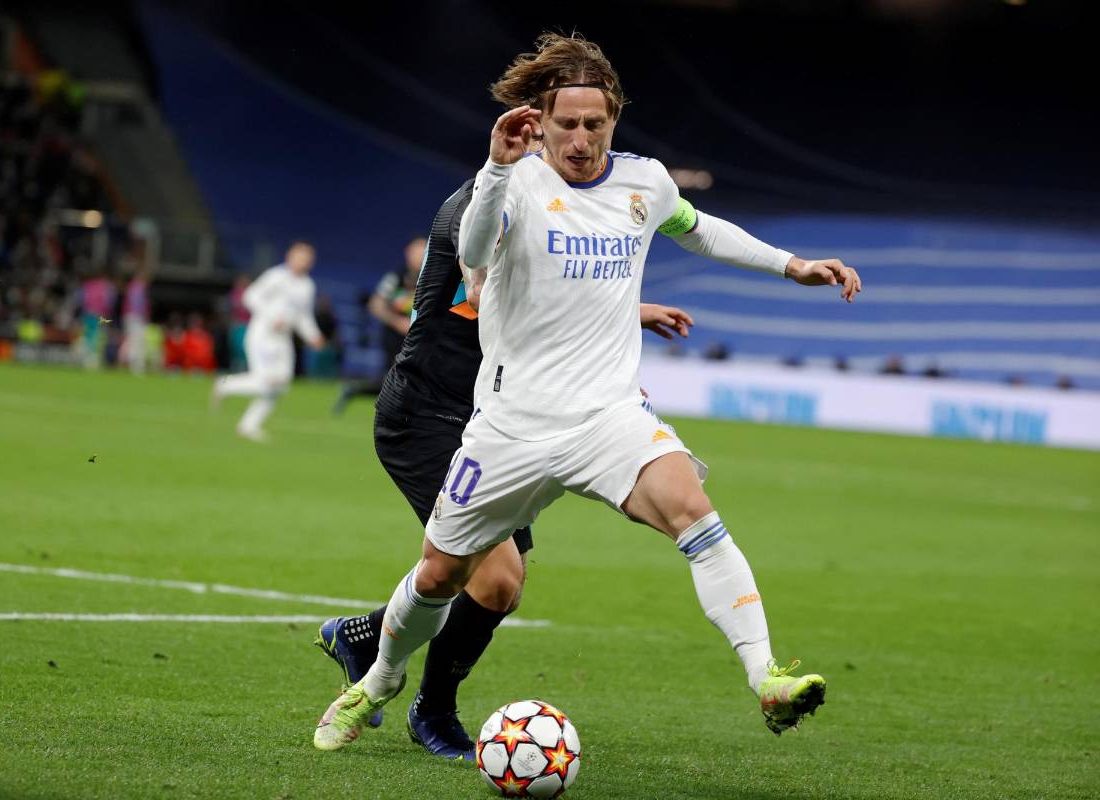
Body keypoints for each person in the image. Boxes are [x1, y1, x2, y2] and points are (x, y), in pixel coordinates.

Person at [314, 33, 863, 753]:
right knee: (443, 574)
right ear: (539, 121)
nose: (579, 139)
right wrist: (496, 166)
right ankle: (380, 679)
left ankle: (767, 677)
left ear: (614, 120)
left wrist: (792, 265)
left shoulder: (645, 183)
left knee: (694, 513)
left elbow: (699, 230)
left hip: (607, 416)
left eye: (593, 124)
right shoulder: (509, 184)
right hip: (508, 426)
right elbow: (474, 253)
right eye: (566, 124)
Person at [314, 174, 695, 760]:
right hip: (427, 415)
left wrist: (619, 330)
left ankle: (364, 638)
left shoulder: (537, 200)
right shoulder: (478, 207)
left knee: (497, 588)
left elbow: (555, 291)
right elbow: (508, 296)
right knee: (495, 577)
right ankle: (432, 710)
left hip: (500, 421)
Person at [211, 241, 325, 442]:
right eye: (300, 257)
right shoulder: (276, 277)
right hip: (262, 335)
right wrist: (271, 317)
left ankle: (248, 426)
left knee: (281, 385)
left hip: (283, 339)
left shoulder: (307, 286)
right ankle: (225, 384)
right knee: (265, 381)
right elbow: (250, 296)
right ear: (290, 256)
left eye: (307, 259)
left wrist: (313, 335)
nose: (303, 262)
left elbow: (303, 316)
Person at [332, 237, 424, 414]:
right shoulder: (395, 277)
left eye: (424, 252)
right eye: (417, 252)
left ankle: (356, 390)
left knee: (408, 379)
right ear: (408, 252)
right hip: (395, 337)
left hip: (420, 337)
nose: (420, 257)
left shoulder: (431, 277)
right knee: (396, 378)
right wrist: (397, 322)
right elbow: (376, 304)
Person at [119, 269, 150, 375]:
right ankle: (135, 364)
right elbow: (137, 305)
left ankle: (127, 362)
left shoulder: (132, 287)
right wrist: (143, 316)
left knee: (131, 340)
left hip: (130, 317)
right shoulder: (137, 288)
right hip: (135, 317)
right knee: (136, 340)